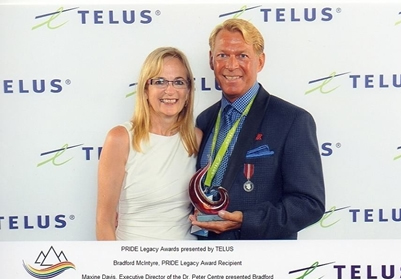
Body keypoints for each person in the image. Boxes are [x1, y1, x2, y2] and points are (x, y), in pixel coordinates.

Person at [190, 18, 325, 240]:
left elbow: (309, 204)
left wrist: (245, 219)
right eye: (223, 55)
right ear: (211, 60)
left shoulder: (292, 120)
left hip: (262, 262)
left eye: (242, 55)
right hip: (206, 257)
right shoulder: (205, 120)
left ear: (260, 62)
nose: (231, 65)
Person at [96, 47, 201, 240]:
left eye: (178, 82)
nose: (170, 90)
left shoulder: (196, 139)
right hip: (134, 263)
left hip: (187, 263)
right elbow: (104, 221)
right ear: (146, 89)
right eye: (159, 81)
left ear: (188, 92)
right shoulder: (120, 139)